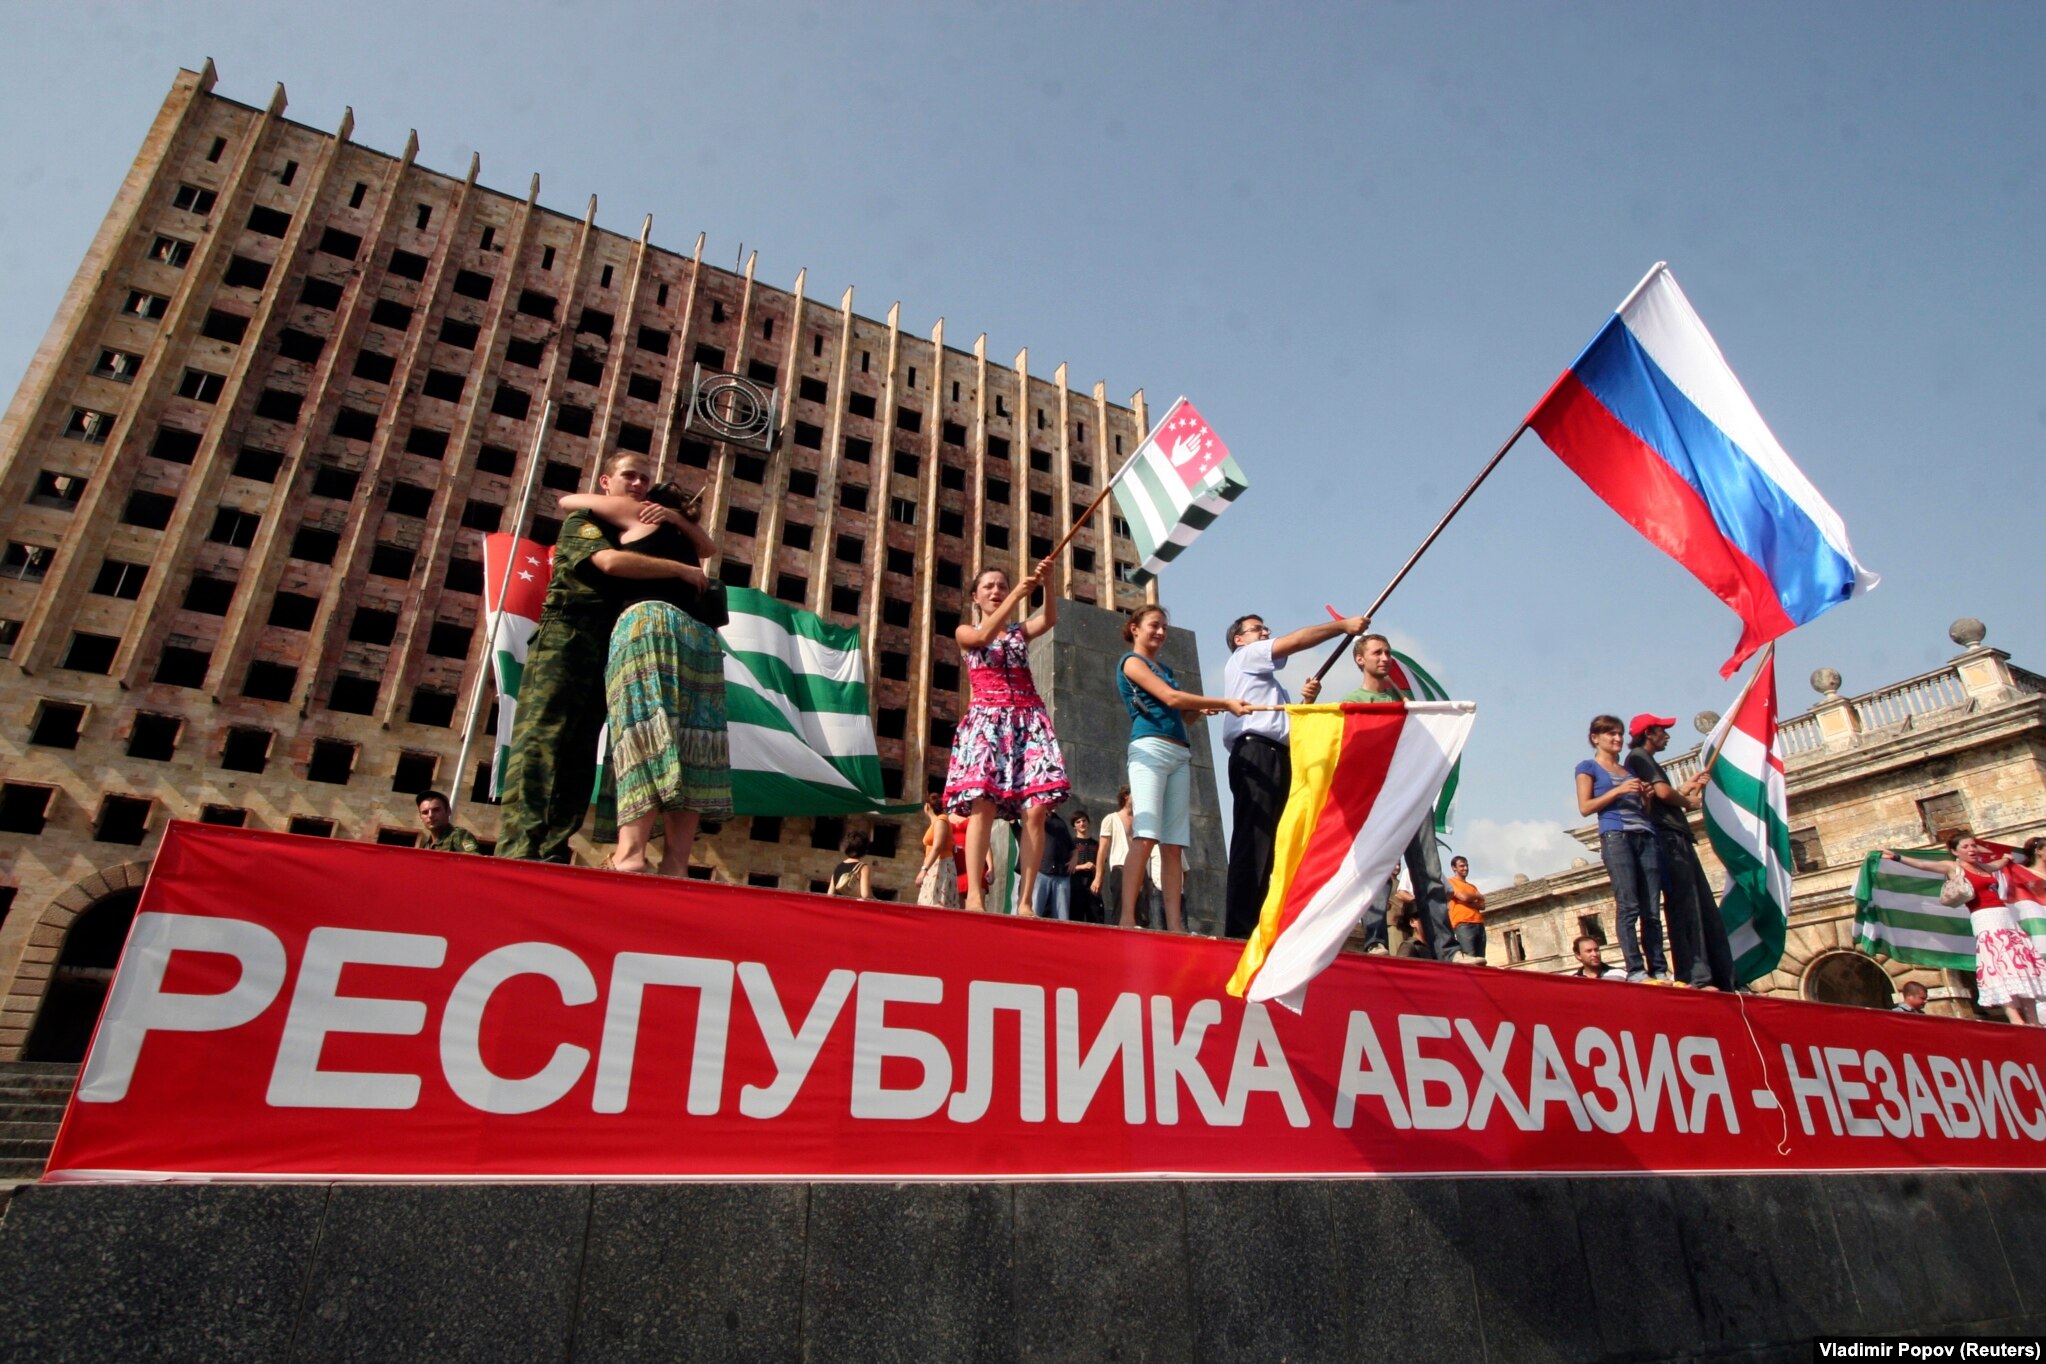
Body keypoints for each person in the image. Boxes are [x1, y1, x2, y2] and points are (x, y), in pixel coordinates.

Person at [497, 452, 705, 864]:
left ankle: (553, 848)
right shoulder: (586, 521)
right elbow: (608, 562)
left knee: (580, 752)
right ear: (606, 483)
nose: (638, 486)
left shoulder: (641, 528)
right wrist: (679, 570)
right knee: (541, 742)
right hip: (566, 637)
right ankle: (519, 850)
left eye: (645, 480)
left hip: (607, 646)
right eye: (629, 476)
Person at [556, 473, 728, 875]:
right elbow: (709, 546)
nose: (636, 486)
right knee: (694, 743)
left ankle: (630, 856)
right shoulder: (684, 535)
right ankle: (675, 865)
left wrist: (650, 510)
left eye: (641, 480)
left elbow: (568, 500)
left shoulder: (639, 511)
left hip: (650, 622)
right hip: (699, 636)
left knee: (642, 731)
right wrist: (675, 523)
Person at [1218, 611, 1364, 939]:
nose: (1266, 632)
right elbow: (1296, 641)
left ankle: (1265, 926)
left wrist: (1305, 702)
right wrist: (1341, 626)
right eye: (1257, 629)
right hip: (1256, 753)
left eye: (1266, 628)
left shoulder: (1268, 687)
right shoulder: (1246, 656)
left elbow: (1286, 728)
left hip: (1278, 755)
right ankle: (1241, 930)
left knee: (1277, 844)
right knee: (1254, 842)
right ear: (1239, 639)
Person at [1115, 604, 1252, 933]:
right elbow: (1171, 699)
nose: (1160, 632)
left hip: (1179, 754)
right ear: (1135, 628)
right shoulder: (1131, 662)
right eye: (1154, 625)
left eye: (1164, 627)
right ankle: (1127, 919)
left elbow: (1181, 714)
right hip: (1150, 749)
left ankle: (1174, 927)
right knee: (1146, 834)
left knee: (1174, 844)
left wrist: (1201, 710)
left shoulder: (1167, 670)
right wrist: (1224, 702)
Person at [944, 560, 1071, 913]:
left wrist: (1048, 582)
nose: (997, 591)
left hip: (1028, 720)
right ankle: (974, 895)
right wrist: (1018, 593)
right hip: (988, 721)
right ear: (975, 596)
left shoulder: (1017, 633)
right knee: (982, 806)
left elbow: (1047, 620)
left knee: (1036, 811)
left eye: (1002, 585)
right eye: (989, 586)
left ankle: (1026, 900)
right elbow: (983, 637)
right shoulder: (965, 631)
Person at [1343, 634, 1460, 962]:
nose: (1384, 658)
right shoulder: (1353, 700)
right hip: (1379, 796)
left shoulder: (1404, 703)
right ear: (1360, 659)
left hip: (1413, 793)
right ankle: (1375, 941)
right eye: (1377, 653)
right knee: (1376, 870)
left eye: (1388, 653)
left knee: (1430, 875)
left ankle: (1447, 949)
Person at [1881, 835, 2046, 1026]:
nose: (1971, 849)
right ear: (1954, 851)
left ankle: (2033, 1018)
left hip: (2005, 918)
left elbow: (1998, 864)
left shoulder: (1983, 867)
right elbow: (1923, 865)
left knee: (2021, 963)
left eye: (1973, 845)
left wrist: (2008, 858)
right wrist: (1898, 857)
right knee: (1998, 964)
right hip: (1985, 919)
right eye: (1966, 846)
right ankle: (2014, 1017)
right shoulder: (1953, 868)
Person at [1624, 714, 1734, 990]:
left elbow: (1663, 793)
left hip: (1676, 836)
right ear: (1649, 733)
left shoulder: (1644, 760)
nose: (1668, 735)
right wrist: (1687, 800)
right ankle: (1696, 975)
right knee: (1686, 907)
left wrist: (1684, 788)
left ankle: (1718, 974)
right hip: (1667, 839)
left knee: (1702, 907)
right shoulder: (1639, 757)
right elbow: (1661, 793)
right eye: (1663, 730)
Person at [1576, 714, 1671, 984]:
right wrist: (1618, 792)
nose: (1618, 739)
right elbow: (1585, 807)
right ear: (1596, 738)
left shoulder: (1629, 771)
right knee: (1629, 905)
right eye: (1611, 734)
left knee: (1652, 906)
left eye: (1619, 734)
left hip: (1645, 834)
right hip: (1616, 836)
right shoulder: (1588, 767)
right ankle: (1635, 968)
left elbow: (1645, 811)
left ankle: (1659, 967)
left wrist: (1644, 797)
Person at [914, 793, 962, 908]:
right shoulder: (936, 822)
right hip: (934, 866)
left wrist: (923, 870)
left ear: (927, 806)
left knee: (937, 902)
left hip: (942, 864)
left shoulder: (941, 821)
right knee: (929, 902)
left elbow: (937, 847)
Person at [1033, 802, 1078, 920]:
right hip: (1042, 871)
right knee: (1034, 911)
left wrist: (1074, 859)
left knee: (1062, 917)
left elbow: (1072, 848)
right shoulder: (1038, 818)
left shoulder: (1060, 822)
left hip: (1062, 875)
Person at [1446, 855, 1487, 964]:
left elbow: (1482, 905)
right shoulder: (1450, 882)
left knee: (1481, 960)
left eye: (1467, 865)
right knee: (1470, 959)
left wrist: (1468, 901)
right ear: (1454, 868)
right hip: (1463, 924)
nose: (1465, 868)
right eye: (1462, 866)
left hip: (1479, 923)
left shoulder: (1472, 886)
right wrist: (1477, 897)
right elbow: (1463, 897)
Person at [415, 790, 481, 854]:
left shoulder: (459, 835)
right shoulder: (426, 845)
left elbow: (474, 861)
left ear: (448, 811)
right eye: (425, 812)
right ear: (420, 817)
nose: (430, 815)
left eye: (436, 810)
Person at [1068, 812, 1101, 923]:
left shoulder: (1096, 844)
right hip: (1075, 887)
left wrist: (1098, 877)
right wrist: (1082, 867)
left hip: (1093, 887)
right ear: (1074, 826)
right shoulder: (1071, 844)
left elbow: (1101, 865)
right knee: (1075, 921)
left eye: (1084, 820)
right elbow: (1065, 867)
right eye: (1078, 822)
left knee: (1096, 919)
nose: (1082, 824)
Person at [829, 831, 873, 899]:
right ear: (864, 849)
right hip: (853, 908)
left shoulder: (838, 867)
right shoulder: (863, 868)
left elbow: (830, 894)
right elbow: (865, 895)